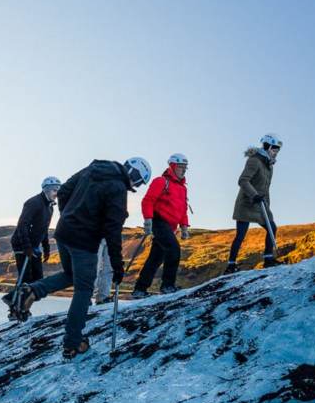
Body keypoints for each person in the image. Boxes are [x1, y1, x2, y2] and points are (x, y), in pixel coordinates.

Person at [20, 157, 151, 359]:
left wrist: (68, 216)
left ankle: (32, 290)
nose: (135, 186)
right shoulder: (118, 188)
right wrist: (117, 264)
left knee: (72, 275)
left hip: (64, 233)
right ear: (135, 176)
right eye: (139, 182)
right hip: (84, 240)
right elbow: (113, 229)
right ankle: (73, 343)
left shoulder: (93, 169)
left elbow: (63, 192)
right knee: (84, 288)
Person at [134, 154, 191, 297]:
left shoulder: (183, 188)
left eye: (185, 168)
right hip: (159, 221)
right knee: (173, 249)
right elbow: (147, 201)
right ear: (172, 166)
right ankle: (167, 285)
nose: (183, 170)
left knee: (156, 257)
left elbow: (183, 208)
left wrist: (184, 226)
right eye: (180, 167)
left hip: (169, 226)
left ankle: (140, 289)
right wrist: (148, 220)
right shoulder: (161, 181)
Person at [3, 176, 59, 319]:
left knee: (38, 280)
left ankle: (13, 300)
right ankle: (17, 310)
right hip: (22, 243)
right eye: (54, 190)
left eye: (58, 190)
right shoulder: (33, 202)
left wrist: (46, 246)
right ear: (46, 190)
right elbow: (22, 224)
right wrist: (26, 246)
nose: (56, 193)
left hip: (34, 245)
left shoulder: (50, 207)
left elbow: (44, 228)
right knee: (26, 278)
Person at [224, 134, 281, 274]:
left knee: (272, 227)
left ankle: (268, 259)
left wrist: (267, 206)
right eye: (274, 150)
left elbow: (266, 189)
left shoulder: (269, 167)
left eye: (277, 151)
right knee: (240, 235)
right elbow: (243, 180)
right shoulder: (254, 161)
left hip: (261, 203)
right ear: (267, 147)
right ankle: (231, 266)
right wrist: (254, 195)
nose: (275, 153)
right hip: (247, 203)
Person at [92, 240, 113, 305]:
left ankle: (103, 297)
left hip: (111, 236)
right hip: (96, 235)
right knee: (94, 268)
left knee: (110, 268)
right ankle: (87, 296)